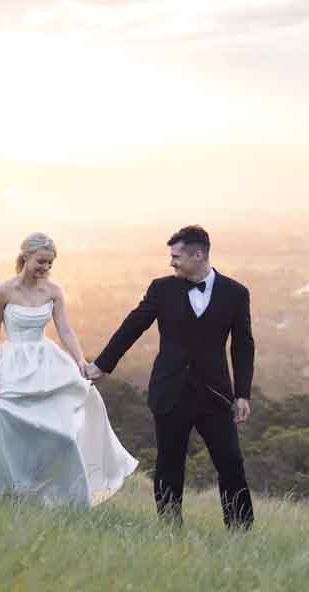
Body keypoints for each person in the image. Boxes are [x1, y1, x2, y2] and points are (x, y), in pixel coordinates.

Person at [86, 225, 255, 529]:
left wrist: (242, 393)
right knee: (169, 466)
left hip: (214, 396)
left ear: (198, 254)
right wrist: (102, 365)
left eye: (176, 256)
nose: (171, 263)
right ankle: (169, 529)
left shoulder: (236, 293)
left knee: (231, 464)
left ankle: (240, 531)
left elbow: (243, 346)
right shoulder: (160, 289)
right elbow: (132, 326)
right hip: (170, 392)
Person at [0, 232, 138, 507]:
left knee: (64, 435)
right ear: (26, 256)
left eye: (50, 264)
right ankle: (15, 493)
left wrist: (79, 359)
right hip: (13, 363)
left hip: (46, 361)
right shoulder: (2, 292)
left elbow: (65, 328)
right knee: (3, 416)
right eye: (41, 262)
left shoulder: (53, 292)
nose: (45, 269)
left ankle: (66, 498)